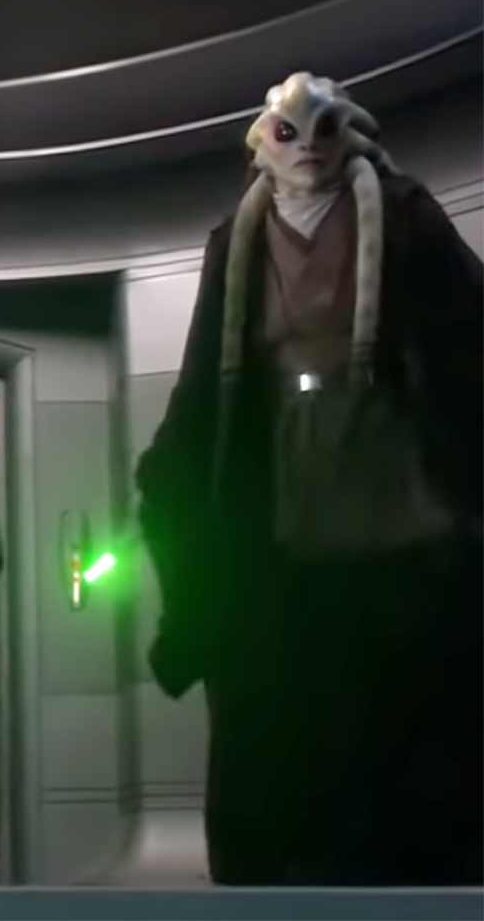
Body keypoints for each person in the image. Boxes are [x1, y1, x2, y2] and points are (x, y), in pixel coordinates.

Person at [137, 73, 482, 884]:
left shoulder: (404, 216)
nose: (309, 149)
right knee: (287, 753)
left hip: (394, 492)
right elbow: (207, 382)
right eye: (290, 133)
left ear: (348, 129)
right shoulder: (237, 238)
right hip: (281, 504)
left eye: (324, 129)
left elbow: (468, 340)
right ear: (264, 141)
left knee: (407, 757)